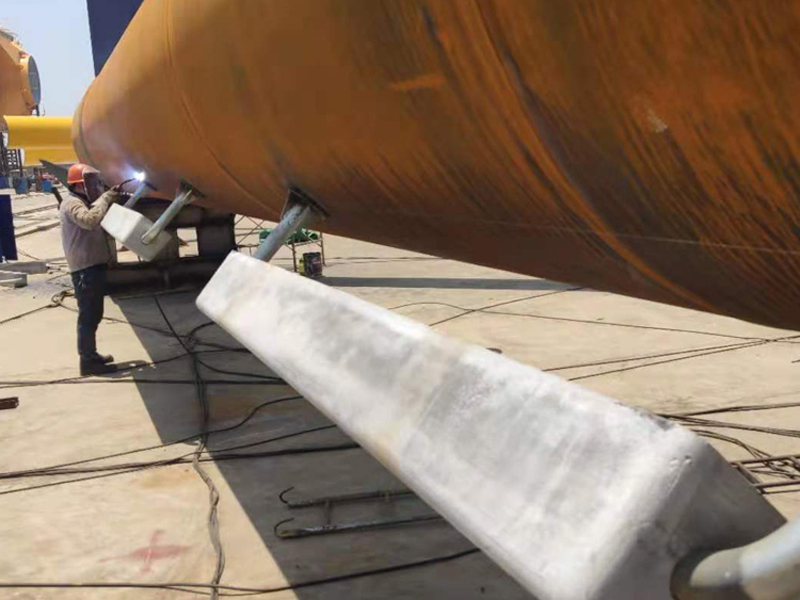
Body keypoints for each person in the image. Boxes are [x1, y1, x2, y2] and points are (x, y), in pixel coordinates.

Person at [60, 164, 120, 375]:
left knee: (94, 314)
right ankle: (88, 362)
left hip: (91, 267)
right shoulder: (72, 203)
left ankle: (91, 355)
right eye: (92, 183)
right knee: (88, 316)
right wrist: (105, 198)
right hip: (84, 270)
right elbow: (89, 221)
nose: (96, 187)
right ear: (80, 185)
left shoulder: (83, 202)